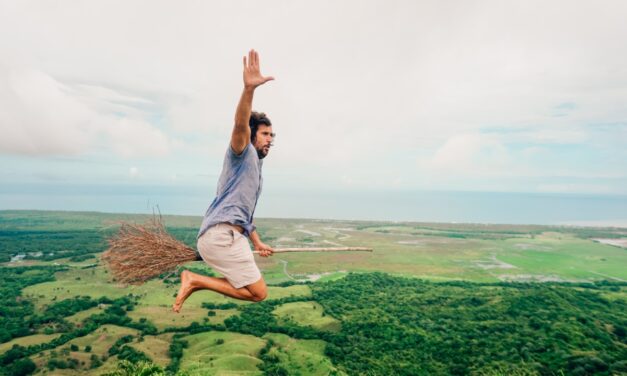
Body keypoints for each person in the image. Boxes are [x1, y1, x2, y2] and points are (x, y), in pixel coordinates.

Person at [173, 49, 275, 312]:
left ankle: (195, 280)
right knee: (259, 293)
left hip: (228, 235)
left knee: (256, 293)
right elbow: (241, 123)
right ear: (252, 135)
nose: (270, 139)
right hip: (222, 237)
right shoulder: (242, 152)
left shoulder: (255, 168)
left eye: (272, 135)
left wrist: (258, 242)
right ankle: (194, 279)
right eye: (265, 134)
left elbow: (241, 215)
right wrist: (249, 90)